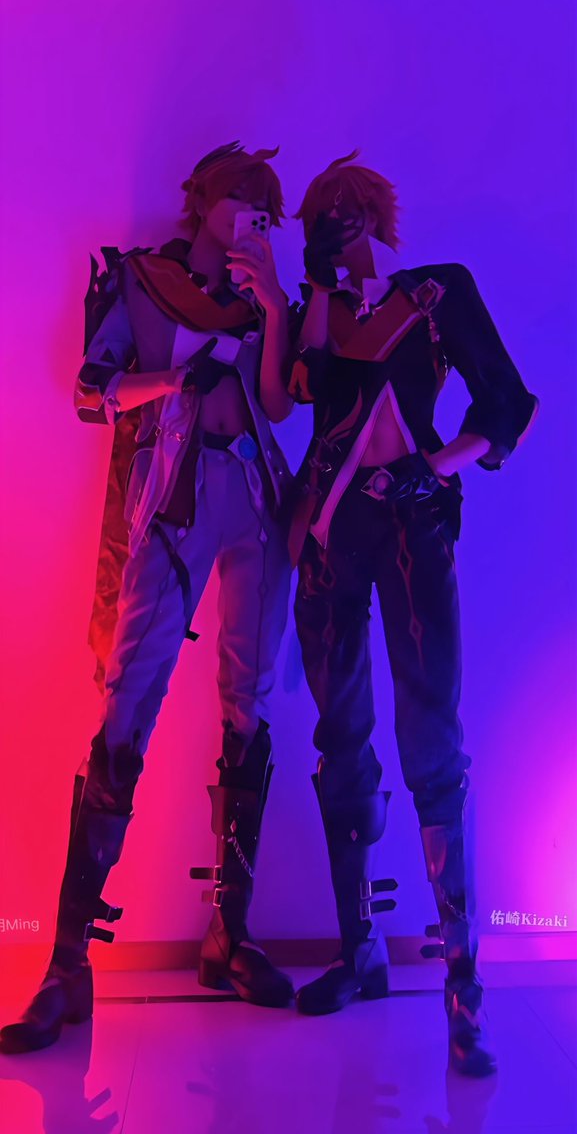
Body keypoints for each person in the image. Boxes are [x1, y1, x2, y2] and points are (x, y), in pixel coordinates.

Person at [0, 141, 295, 1055]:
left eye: (265, 205)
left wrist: (273, 305)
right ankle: (67, 964)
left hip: (255, 504)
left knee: (248, 705)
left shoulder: (260, 293)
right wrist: (171, 378)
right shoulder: (142, 280)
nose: (253, 213)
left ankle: (229, 933)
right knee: (127, 706)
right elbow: (91, 392)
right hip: (172, 502)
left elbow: (277, 406)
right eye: (241, 197)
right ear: (202, 198)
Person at [286, 151, 538, 1075]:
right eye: (322, 222)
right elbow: (304, 390)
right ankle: (360, 950)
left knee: (432, 738)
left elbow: (505, 403)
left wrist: (432, 468)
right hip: (329, 533)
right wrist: (315, 288)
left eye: (346, 217)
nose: (336, 232)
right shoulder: (321, 305)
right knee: (341, 734)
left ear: (375, 218)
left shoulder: (436, 292)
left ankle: (462, 990)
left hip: (414, 526)